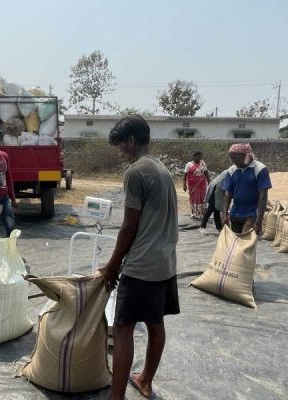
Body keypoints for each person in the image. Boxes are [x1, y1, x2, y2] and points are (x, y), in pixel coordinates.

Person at [98, 115, 179, 400]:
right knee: (155, 323)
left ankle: (116, 396)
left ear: (131, 141)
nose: (121, 152)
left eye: (121, 146)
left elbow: (129, 226)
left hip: (141, 265)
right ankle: (144, 380)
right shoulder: (162, 170)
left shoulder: (136, 172)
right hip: (165, 262)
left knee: (122, 328)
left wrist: (112, 266)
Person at [220, 143, 272, 234]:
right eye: (231, 158)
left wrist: (259, 221)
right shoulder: (232, 170)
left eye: (235, 158)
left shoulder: (260, 169)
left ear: (245, 156)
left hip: (251, 214)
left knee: (244, 243)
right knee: (236, 242)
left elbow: (263, 196)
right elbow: (228, 194)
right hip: (235, 213)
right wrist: (224, 214)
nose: (233, 161)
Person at [182, 150, 210, 219]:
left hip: (202, 185)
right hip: (192, 186)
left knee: (202, 199)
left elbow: (206, 173)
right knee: (193, 199)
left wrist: (209, 182)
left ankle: (202, 214)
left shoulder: (202, 163)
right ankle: (194, 214)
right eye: (198, 157)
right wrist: (184, 185)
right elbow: (185, 175)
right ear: (194, 157)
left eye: (200, 157)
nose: (199, 159)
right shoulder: (189, 164)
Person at [199, 169, 228, 234]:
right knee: (210, 209)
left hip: (219, 192)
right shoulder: (230, 172)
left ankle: (219, 227)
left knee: (216, 210)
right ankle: (202, 226)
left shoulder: (233, 171)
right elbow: (224, 187)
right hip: (216, 190)